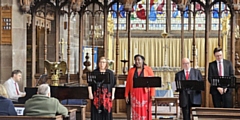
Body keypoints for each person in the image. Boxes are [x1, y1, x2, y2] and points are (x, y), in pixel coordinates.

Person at [125, 54, 155, 120]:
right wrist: (126, 94)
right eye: (136, 60)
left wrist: (152, 94)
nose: (137, 61)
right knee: (135, 111)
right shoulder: (131, 70)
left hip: (145, 94)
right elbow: (128, 83)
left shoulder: (148, 69)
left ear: (142, 60)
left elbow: (152, 83)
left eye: (139, 60)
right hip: (134, 94)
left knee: (145, 110)